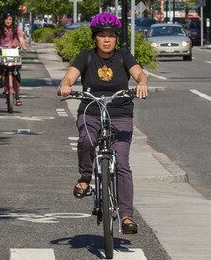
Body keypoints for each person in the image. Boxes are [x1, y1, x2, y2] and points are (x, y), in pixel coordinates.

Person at [57, 12, 150, 235]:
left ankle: (127, 215)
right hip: (91, 109)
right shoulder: (86, 56)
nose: (107, 40)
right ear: (95, 38)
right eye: (102, 36)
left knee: (122, 164)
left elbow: (139, 74)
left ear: (116, 38)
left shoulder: (123, 56)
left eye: (111, 36)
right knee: (86, 140)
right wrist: (66, 85)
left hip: (120, 112)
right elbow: (69, 76)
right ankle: (86, 175)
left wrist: (142, 83)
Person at [0, 10, 29, 99]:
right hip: (3, 52)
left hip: (14, 52)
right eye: (6, 19)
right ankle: (1, 79)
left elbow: (21, 39)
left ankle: (17, 95)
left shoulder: (16, 28)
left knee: (17, 73)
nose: (8, 21)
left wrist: (23, 46)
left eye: (10, 19)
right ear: (3, 20)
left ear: (12, 20)